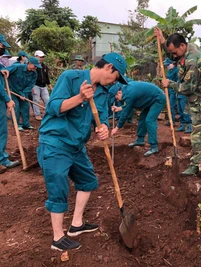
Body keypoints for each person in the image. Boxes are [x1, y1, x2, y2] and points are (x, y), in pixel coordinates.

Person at [37, 52, 128, 251]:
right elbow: (53, 107)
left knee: (88, 181)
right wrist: (80, 97)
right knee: (58, 189)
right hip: (55, 143)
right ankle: (58, 238)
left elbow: (101, 116)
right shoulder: (71, 77)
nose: (115, 82)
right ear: (108, 68)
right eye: (116, 77)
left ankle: (76, 225)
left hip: (76, 146)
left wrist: (103, 127)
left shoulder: (103, 92)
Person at [155, 28, 201, 176]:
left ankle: (196, 164)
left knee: (198, 133)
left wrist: (170, 84)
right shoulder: (188, 47)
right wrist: (163, 41)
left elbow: (188, 88)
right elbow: (174, 55)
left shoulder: (192, 61)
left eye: (175, 52)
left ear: (182, 46)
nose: (173, 56)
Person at [111, 80, 166, 157]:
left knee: (149, 120)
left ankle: (154, 147)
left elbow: (125, 114)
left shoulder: (129, 94)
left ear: (119, 92)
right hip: (150, 100)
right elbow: (128, 105)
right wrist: (119, 108)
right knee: (142, 118)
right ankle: (140, 140)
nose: (117, 100)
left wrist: (117, 128)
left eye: (116, 98)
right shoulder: (126, 90)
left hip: (158, 99)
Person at [0, 33, 19, 170]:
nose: (2, 48)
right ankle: (1, 160)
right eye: (1, 45)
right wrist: (8, 100)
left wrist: (1, 71)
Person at [5, 57, 40, 131]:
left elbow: (30, 85)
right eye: (35, 66)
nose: (35, 68)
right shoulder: (17, 67)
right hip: (13, 91)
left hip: (23, 92)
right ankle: (16, 124)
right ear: (30, 63)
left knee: (26, 106)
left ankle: (26, 124)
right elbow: (5, 71)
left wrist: (23, 93)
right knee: (16, 106)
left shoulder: (34, 74)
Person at [33, 50, 52, 121]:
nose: (42, 58)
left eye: (43, 57)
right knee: (36, 100)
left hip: (43, 86)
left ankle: (48, 113)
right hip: (35, 85)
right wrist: (31, 86)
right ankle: (37, 114)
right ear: (36, 57)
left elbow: (46, 77)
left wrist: (49, 85)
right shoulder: (33, 66)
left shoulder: (44, 66)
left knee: (47, 99)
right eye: (40, 57)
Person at [163, 57, 178, 127]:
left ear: (173, 64)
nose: (167, 66)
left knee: (172, 105)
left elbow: (178, 81)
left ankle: (173, 120)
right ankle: (170, 120)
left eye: (168, 64)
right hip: (168, 89)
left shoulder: (176, 70)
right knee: (168, 105)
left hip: (174, 90)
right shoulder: (169, 71)